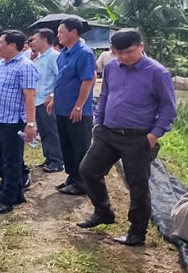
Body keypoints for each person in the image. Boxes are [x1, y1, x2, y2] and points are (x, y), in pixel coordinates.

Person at [76, 29, 177, 246]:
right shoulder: (112, 67)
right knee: (88, 170)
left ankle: (136, 233)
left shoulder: (157, 73)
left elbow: (168, 108)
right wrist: (98, 121)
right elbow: (105, 95)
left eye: (129, 52)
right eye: (117, 52)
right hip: (108, 132)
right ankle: (103, 212)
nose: (123, 57)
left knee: (137, 186)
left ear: (141, 46)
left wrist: (152, 136)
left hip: (138, 138)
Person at [0, 30, 38, 214]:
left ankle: (7, 200)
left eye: (1, 42)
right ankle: (15, 191)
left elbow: (30, 97)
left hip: (12, 121)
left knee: (12, 161)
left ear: (12, 45)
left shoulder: (25, 66)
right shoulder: (0, 66)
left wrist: (31, 123)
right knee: (2, 157)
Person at [46, 18, 95, 196]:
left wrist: (79, 106)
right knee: (66, 145)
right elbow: (61, 79)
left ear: (73, 32)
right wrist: (54, 99)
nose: (58, 35)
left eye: (61, 32)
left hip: (77, 110)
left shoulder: (85, 53)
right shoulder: (63, 54)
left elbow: (87, 80)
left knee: (80, 147)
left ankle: (82, 183)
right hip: (62, 108)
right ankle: (72, 177)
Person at [29, 29, 64, 173]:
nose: (32, 42)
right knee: (43, 131)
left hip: (47, 101)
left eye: (35, 39)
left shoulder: (54, 56)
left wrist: (52, 95)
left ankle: (57, 160)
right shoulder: (38, 58)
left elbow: (60, 78)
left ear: (44, 39)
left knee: (52, 131)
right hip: (37, 100)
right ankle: (49, 157)